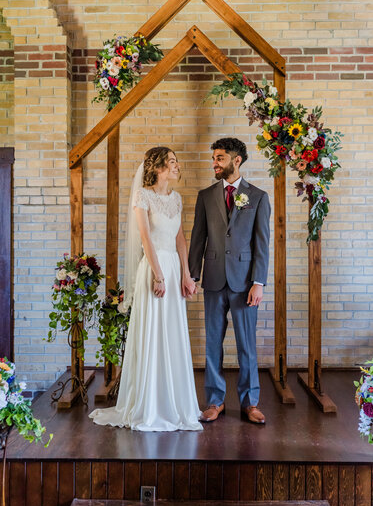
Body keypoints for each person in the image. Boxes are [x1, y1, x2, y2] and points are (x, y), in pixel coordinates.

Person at [89, 147, 202, 431]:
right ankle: (148, 405)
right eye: (173, 162)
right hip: (154, 269)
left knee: (172, 332)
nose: (178, 166)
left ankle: (175, 402)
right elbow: (146, 238)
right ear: (159, 167)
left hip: (174, 268)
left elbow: (180, 240)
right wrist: (159, 275)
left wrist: (186, 276)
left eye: (177, 161)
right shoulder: (143, 196)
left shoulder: (176, 198)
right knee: (152, 332)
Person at [189, 138, 270, 425]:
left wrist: (259, 282)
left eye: (220, 158)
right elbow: (198, 238)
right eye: (214, 157)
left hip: (245, 282)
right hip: (212, 279)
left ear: (236, 161)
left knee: (246, 345)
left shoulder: (258, 197)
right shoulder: (206, 196)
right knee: (213, 342)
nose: (214, 162)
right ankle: (214, 401)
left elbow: (262, 243)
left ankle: (250, 402)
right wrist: (191, 275)